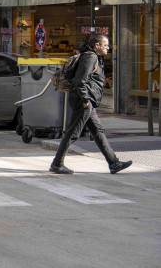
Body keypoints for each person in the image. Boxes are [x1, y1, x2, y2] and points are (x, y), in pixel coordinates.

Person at [49, 33, 132, 175]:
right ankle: (57, 164)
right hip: (83, 102)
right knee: (72, 133)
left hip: (87, 102)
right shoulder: (90, 57)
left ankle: (114, 163)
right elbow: (80, 81)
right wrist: (86, 100)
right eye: (105, 45)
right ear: (97, 45)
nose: (108, 47)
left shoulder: (95, 57)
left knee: (98, 131)